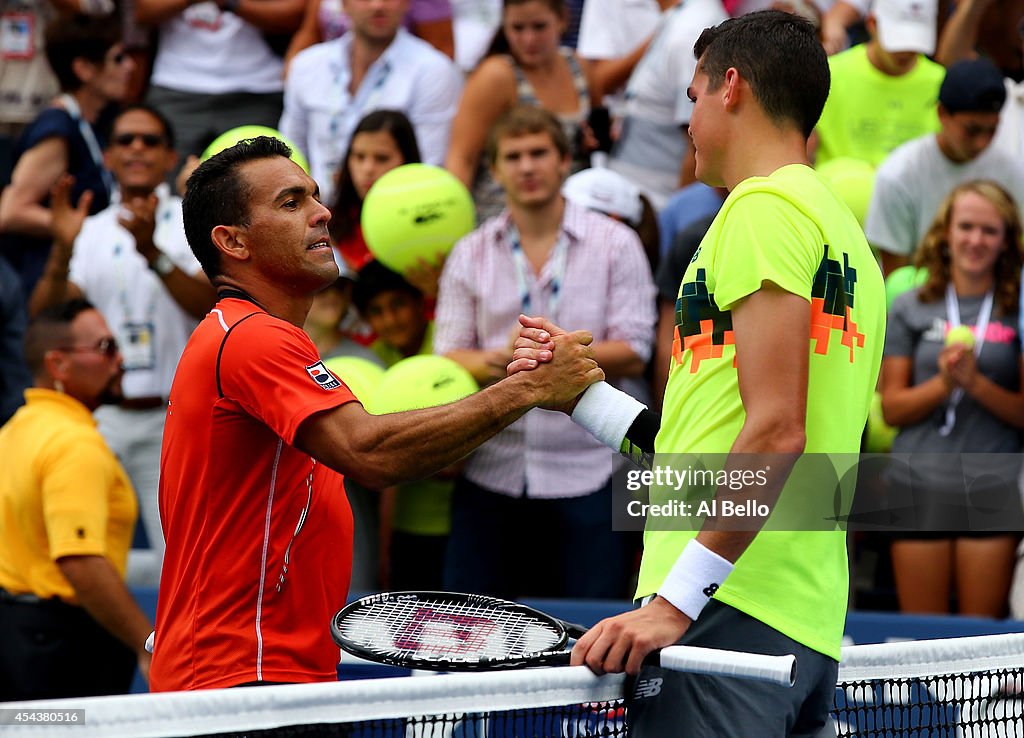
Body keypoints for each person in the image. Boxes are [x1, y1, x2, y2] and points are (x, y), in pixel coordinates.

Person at [510, 11, 884, 736]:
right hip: (796, 617)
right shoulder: (846, 238)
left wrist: (677, 602)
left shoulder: (760, 209)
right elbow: (704, 445)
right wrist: (582, 398)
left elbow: (777, 432)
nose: (686, 124)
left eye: (691, 97)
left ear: (731, 88)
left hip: (725, 615)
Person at [149, 135, 601, 692]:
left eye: (314, 196)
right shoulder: (250, 337)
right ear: (232, 242)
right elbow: (370, 452)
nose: (323, 213)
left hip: (261, 672)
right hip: (240, 676)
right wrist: (525, 390)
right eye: (291, 203)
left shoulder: (252, 337)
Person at [435, 105, 656, 600]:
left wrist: (558, 354)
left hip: (591, 468)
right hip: (491, 465)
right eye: (513, 156)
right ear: (494, 170)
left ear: (564, 162)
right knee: (474, 632)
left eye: (539, 153)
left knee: (588, 634)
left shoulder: (616, 243)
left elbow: (636, 348)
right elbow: (447, 355)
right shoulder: (468, 251)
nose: (527, 166)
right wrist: (508, 360)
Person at [28, 105, 216, 587]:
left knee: (185, 561)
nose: (137, 149)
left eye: (150, 141)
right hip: (101, 418)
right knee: (76, 549)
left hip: (174, 416)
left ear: (170, 155)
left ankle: (180, 662)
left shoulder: (192, 222)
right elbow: (45, 319)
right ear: (108, 155)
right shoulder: (87, 230)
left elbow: (211, 304)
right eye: (126, 140)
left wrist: (153, 252)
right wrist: (61, 249)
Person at [881, 180, 1024, 618]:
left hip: (992, 480)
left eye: (989, 230)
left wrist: (975, 384)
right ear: (945, 232)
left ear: (1006, 241)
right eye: (966, 227)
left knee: (979, 648)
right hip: (917, 480)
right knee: (922, 645)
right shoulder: (908, 305)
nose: (975, 240)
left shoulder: (1018, 307)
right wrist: (944, 384)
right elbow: (891, 407)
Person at [0, 299, 152, 700]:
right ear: (58, 365)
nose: (120, 359)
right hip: (62, 649)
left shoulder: (15, 430)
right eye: (106, 348)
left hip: (18, 639)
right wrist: (145, 643)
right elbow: (80, 560)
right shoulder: (73, 444)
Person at [0, 14, 133, 302]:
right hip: (48, 278)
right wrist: (89, 227)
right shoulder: (57, 128)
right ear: (84, 68)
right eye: (118, 58)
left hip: (82, 268)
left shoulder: (95, 120)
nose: (130, 66)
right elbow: (11, 212)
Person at [279, 0, 462, 205]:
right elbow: (291, 154)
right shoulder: (306, 65)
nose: (377, 5)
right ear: (344, 4)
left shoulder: (433, 70)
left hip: (393, 213)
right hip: (314, 213)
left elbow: (427, 169)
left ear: (407, 3)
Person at [864, 57, 1024, 276]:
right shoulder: (898, 174)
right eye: (972, 130)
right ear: (942, 114)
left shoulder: (1013, 172)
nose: (982, 142)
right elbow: (895, 280)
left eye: (992, 130)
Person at [445, 0, 597, 223]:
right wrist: (452, 225)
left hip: (572, 217)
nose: (529, 39)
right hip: (501, 217)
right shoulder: (496, 76)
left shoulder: (579, 67)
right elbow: (461, 158)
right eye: (517, 28)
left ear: (562, 21)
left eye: (539, 27)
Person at [135, 0, 303, 170]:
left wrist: (232, 3)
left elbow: (299, 15)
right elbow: (141, 11)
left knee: (259, 177)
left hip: (256, 90)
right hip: (176, 85)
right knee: (168, 182)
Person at [604, 0, 727, 210]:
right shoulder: (680, 16)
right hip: (641, 205)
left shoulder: (688, 32)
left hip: (657, 210)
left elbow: (699, 142)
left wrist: (674, 222)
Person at [814, 0, 944, 168]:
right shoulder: (829, 73)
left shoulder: (941, 83)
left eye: (914, 40)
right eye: (897, 39)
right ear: (872, 24)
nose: (905, 51)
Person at [329, 110, 421, 274]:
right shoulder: (326, 221)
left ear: (407, 161)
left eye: (382, 158)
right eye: (359, 156)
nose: (367, 169)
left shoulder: (426, 224)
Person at [283, 0, 455, 70]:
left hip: (402, 85)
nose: (377, 5)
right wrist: (295, 71)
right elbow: (311, 31)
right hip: (333, 80)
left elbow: (442, 50)